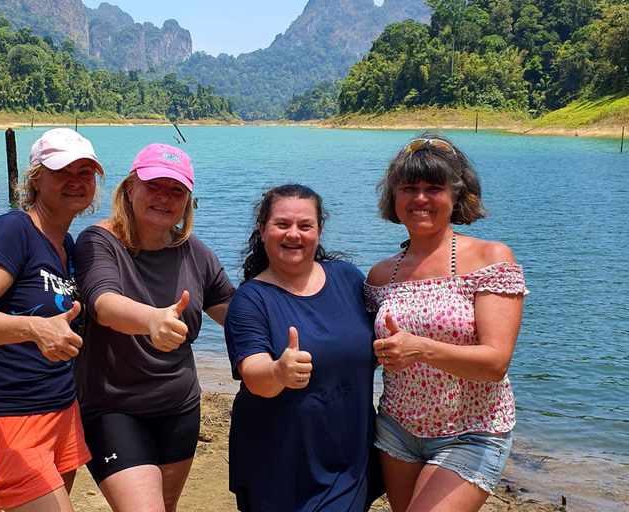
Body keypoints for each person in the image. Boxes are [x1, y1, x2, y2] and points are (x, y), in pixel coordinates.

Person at [364, 133, 529, 512]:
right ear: (394, 197)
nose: (420, 199)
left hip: (473, 432)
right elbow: (363, 352)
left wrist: (419, 348)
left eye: (433, 188)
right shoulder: (380, 275)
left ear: (457, 196)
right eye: (409, 188)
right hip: (396, 430)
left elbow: (495, 363)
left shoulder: (491, 258)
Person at [73, 143, 234, 512]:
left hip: (178, 408)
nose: (164, 197)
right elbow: (102, 302)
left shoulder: (196, 253)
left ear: (187, 201)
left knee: (165, 505)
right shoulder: (100, 241)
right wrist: (151, 320)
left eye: (175, 189)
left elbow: (236, 313)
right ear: (130, 188)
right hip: (112, 407)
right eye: (153, 185)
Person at [0, 128, 104, 511]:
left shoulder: (66, 244)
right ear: (35, 178)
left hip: (59, 412)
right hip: (4, 417)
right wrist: (33, 328)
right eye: (62, 171)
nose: (75, 181)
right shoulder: (10, 231)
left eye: (85, 172)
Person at [224, 184, 384, 512]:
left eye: (305, 225)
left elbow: (369, 349)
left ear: (319, 231)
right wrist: (279, 371)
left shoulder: (349, 278)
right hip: (280, 463)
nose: (293, 234)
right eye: (282, 224)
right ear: (262, 229)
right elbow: (254, 375)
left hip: (350, 454)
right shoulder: (250, 300)